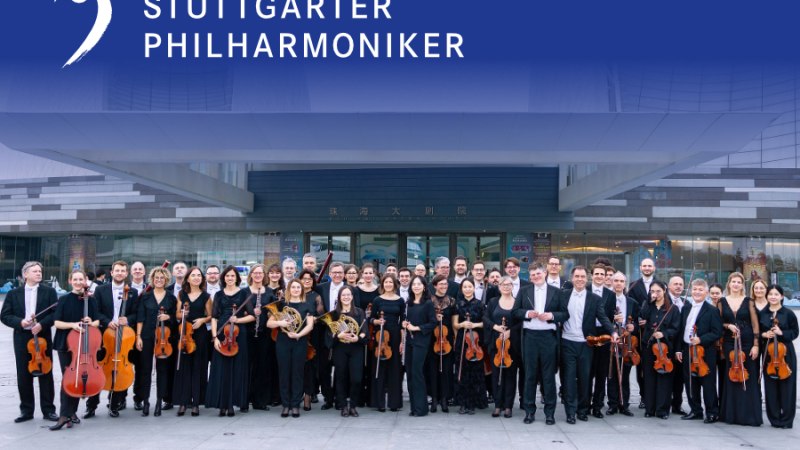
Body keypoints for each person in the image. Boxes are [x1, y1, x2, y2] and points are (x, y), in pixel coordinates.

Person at [0, 261, 58, 423]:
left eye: (40, 271)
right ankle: (26, 410)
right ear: (25, 274)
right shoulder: (13, 294)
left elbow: (54, 313)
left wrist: (41, 324)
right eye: (35, 271)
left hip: (42, 336)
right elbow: (5, 315)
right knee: (23, 375)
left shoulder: (49, 292)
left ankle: (48, 410)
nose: (39, 273)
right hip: (21, 337)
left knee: (46, 374)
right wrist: (20, 322)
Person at [559, 265, 617, 424]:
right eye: (577, 276)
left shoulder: (594, 299)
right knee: (569, 379)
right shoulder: (563, 295)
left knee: (585, 378)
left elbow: (603, 317)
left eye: (582, 277)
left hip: (586, 343)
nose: (579, 279)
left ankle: (582, 410)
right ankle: (570, 412)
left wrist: (613, 332)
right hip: (567, 342)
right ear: (572, 278)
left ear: (587, 279)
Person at [87, 260, 139, 418]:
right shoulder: (101, 290)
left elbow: (136, 313)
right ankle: (91, 406)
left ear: (126, 273)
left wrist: (127, 319)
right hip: (104, 336)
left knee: (120, 369)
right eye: (117, 270)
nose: (120, 273)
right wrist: (107, 322)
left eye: (123, 271)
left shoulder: (132, 292)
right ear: (112, 272)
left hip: (124, 337)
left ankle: (115, 404)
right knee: (98, 370)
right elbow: (96, 312)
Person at [515, 265, 565, 424]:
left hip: (548, 338)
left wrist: (551, 315)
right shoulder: (524, 291)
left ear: (545, 273)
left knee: (548, 376)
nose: (536, 276)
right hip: (530, 337)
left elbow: (565, 314)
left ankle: (549, 413)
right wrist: (527, 314)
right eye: (532, 274)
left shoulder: (557, 292)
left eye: (538, 273)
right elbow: (515, 312)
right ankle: (529, 411)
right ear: (530, 277)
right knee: (529, 375)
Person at [51, 270, 98, 430]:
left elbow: (98, 321)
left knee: (79, 377)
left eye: (81, 279)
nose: (78, 282)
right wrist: (72, 325)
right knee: (68, 378)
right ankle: (64, 414)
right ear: (70, 281)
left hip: (84, 345)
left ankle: (72, 412)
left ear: (85, 280)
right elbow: (57, 323)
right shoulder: (63, 299)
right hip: (66, 343)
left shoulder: (90, 300)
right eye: (75, 279)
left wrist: (91, 322)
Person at [206, 265, 255, 417]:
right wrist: (215, 337)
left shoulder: (243, 293)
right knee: (221, 369)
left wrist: (238, 319)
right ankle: (222, 404)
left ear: (237, 278)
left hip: (238, 335)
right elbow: (214, 317)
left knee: (236, 369)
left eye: (233, 276)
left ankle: (232, 404)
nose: (230, 278)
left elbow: (252, 316)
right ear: (223, 278)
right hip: (222, 334)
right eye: (227, 276)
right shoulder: (219, 295)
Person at [675, 279, 722, 423]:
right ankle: (695, 410)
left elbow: (717, 332)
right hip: (687, 349)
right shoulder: (686, 308)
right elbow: (680, 330)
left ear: (706, 292)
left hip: (705, 352)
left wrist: (701, 339)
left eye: (700, 290)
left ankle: (712, 412)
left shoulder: (712, 310)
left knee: (708, 383)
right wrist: (678, 349)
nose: (697, 292)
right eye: (694, 289)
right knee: (690, 382)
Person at [718, 272, 762, 426]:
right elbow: (718, 322)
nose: (736, 284)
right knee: (731, 376)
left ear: (743, 285)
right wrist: (727, 325)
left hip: (748, 341)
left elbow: (755, 324)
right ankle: (731, 414)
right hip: (730, 342)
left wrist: (756, 345)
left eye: (739, 282)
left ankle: (749, 415)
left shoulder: (749, 301)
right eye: (733, 281)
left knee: (748, 375)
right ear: (729, 284)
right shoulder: (722, 301)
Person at [268, 279, 315, 418]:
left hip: (300, 341)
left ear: (301, 289)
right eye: (293, 287)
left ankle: (295, 405)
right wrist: (280, 322)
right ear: (289, 289)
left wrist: (299, 334)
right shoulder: (281, 305)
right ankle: (285, 404)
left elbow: (310, 325)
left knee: (297, 372)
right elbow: (269, 324)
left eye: (298, 287)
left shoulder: (307, 305)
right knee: (284, 372)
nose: (295, 289)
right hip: (283, 340)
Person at [135, 266, 177, 417]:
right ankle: (146, 401)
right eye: (156, 278)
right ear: (152, 280)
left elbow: (175, 318)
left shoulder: (171, 297)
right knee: (145, 370)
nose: (159, 280)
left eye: (162, 278)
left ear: (166, 280)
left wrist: (169, 317)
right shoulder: (146, 297)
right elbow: (140, 318)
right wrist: (138, 336)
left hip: (164, 339)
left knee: (162, 370)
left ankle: (159, 401)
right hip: (146, 335)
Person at [173, 267, 212, 417]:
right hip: (184, 333)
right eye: (193, 275)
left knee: (198, 367)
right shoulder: (181, 294)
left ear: (202, 279)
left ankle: (196, 403)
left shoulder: (206, 296)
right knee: (184, 368)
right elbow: (176, 314)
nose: (196, 278)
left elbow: (211, 315)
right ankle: (183, 402)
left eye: (199, 276)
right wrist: (182, 313)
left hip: (200, 334)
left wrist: (203, 319)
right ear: (187, 278)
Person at [639, 280, 679, 419]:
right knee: (649, 377)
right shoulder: (648, 305)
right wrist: (649, 301)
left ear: (664, 291)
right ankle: (650, 409)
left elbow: (676, 328)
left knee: (664, 378)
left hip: (665, 347)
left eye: (658, 291)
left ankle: (662, 410)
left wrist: (664, 334)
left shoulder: (672, 309)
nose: (655, 294)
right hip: (649, 346)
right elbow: (642, 316)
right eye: (652, 291)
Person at [759, 284, 797, 429]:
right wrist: (764, 334)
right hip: (769, 355)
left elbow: (795, 332)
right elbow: (758, 332)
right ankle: (774, 419)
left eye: (776, 294)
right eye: (770, 294)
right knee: (771, 387)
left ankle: (787, 420)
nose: (773, 297)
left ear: (781, 296)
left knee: (787, 387)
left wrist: (782, 333)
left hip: (785, 354)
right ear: (767, 296)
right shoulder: (762, 313)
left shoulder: (788, 313)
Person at [485, 276, 522, 419]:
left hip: (511, 345)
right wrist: (495, 327)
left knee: (510, 376)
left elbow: (521, 323)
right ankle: (497, 405)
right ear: (499, 287)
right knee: (496, 376)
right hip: (496, 343)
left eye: (509, 284)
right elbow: (486, 318)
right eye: (503, 284)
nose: (506, 287)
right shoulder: (493, 302)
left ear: (512, 286)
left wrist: (509, 332)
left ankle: (508, 406)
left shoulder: (517, 302)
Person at [328, 286, 367, 417]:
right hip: (340, 349)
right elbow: (329, 335)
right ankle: (344, 406)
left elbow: (364, 331)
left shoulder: (359, 312)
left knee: (356, 379)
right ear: (339, 297)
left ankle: (353, 405)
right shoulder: (334, 314)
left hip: (356, 348)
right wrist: (337, 336)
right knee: (341, 378)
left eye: (348, 295)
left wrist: (358, 337)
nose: (346, 297)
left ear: (352, 296)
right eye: (343, 295)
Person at [605, 271, 640, 417]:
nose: (618, 283)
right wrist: (612, 319)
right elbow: (602, 319)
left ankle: (624, 404)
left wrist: (634, 327)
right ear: (612, 282)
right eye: (616, 281)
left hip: (627, 343)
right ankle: (612, 404)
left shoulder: (632, 302)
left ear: (625, 284)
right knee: (612, 373)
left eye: (621, 281)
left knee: (625, 374)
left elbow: (637, 322)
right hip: (612, 341)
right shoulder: (606, 300)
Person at [403, 275, 436, 417]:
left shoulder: (428, 303)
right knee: (409, 373)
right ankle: (414, 407)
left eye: (419, 284)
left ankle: (422, 408)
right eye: (414, 284)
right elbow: (406, 321)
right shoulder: (409, 303)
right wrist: (404, 324)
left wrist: (417, 328)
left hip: (421, 341)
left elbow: (433, 323)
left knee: (417, 373)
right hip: (409, 341)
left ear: (424, 287)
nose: (416, 286)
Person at [370, 274, 404, 412]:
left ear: (395, 284)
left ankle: (394, 403)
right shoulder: (377, 300)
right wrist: (377, 321)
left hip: (395, 335)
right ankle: (379, 402)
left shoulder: (400, 300)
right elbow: (371, 318)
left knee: (395, 369)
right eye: (386, 282)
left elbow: (403, 320)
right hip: (381, 335)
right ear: (382, 284)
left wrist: (402, 341)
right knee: (380, 368)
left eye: (391, 282)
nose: (388, 284)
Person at [453, 278, 486, 414]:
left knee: (475, 372)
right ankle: (462, 402)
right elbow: (455, 324)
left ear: (474, 288)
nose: (467, 289)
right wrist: (461, 325)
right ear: (462, 289)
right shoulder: (457, 304)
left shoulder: (480, 304)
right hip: (463, 339)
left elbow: (485, 322)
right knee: (462, 371)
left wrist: (474, 325)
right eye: (465, 287)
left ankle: (473, 402)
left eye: (469, 286)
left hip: (475, 341)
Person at [243, 263, 274, 412]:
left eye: (260, 273)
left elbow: (274, 312)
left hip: (264, 334)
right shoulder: (244, 292)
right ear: (251, 275)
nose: (257, 275)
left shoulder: (269, 293)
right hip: (247, 334)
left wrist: (268, 314)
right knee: (247, 366)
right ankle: (245, 398)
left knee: (262, 367)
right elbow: (238, 310)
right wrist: (247, 314)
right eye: (255, 273)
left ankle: (260, 400)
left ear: (264, 275)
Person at [628, 257, 657, 409]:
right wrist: (640, 318)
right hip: (640, 332)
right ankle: (644, 396)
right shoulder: (633, 286)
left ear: (654, 268)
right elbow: (632, 307)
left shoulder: (660, 285)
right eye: (644, 266)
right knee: (641, 366)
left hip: (656, 329)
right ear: (640, 268)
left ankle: (656, 395)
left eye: (649, 266)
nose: (647, 268)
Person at [588, 263, 616, 418]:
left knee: (601, 373)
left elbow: (609, 317)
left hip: (604, 336)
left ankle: (597, 406)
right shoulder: (585, 290)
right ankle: (585, 404)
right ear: (592, 275)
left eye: (602, 274)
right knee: (587, 372)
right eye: (597, 274)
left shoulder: (610, 295)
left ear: (606, 277)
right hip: (588, 334)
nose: (599, 277)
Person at [428, 274, 456, 413]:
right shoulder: (429, 300)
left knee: (446, 370)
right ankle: (434, 398)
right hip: (432, 339)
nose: (443, 286)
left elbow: (454, 323)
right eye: (440, 284)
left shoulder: (451, 301)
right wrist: (434, 316)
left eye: (445, 284)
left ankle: (445, 398)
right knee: (432, 370)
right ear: (435, 286)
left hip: (447, 339)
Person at [666, 275, 687, 416]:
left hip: (680, 346)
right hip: (666, 345)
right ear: (669, 286)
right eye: (675, 284)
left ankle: (677, 405)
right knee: (667, 377)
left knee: (679, 378)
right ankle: (664, 404)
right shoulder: (664, 301)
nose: (678, 286)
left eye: (680, 284)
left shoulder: (687, 304)